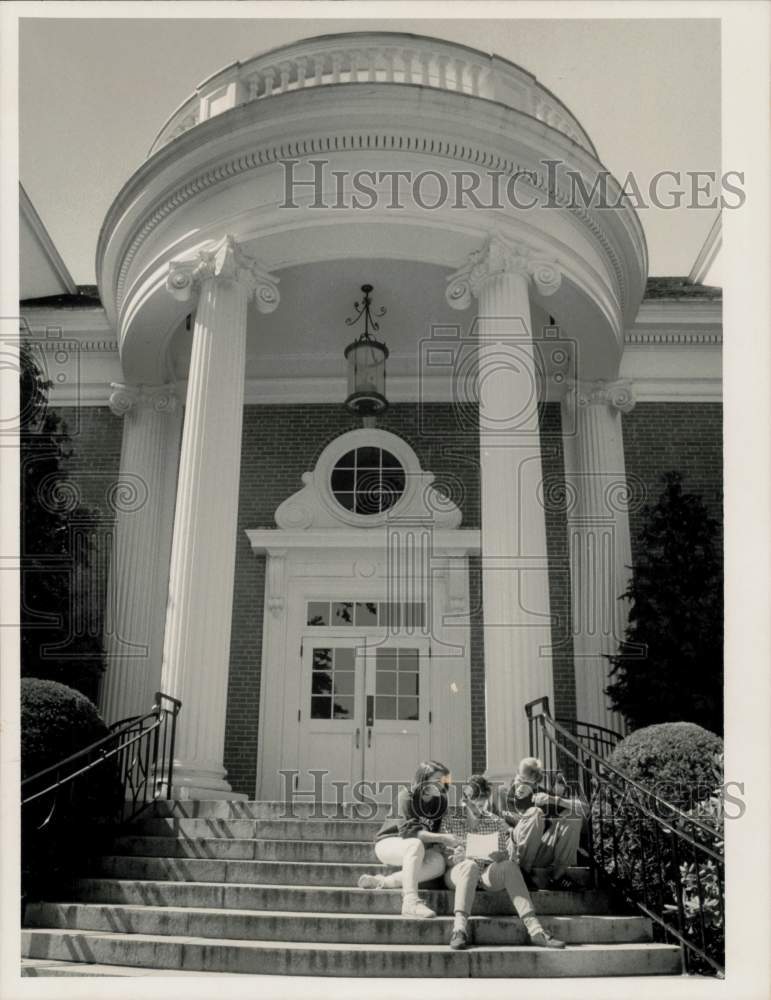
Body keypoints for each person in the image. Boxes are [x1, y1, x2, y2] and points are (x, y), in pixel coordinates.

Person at [438, 775, 566, 951]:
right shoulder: (450, 818)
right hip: (459, 872)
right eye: (474, 803)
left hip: (486, 873)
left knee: (509, 866)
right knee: (469, 865)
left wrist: (501, 857)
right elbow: (441, 855)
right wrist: (453, 858)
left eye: (482, 804)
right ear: (464, 799)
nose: (478, 809)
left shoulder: (495, 821)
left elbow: (506, 851)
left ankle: (535, 930)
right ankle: (459, 929)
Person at [357, 760, 461, 917]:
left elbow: (438, 834)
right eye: (437, 780)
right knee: (415, 843)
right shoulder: (407, 795)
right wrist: (444, 838)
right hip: (389, 844)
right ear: (423, 778)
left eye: (444, 780)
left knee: (438, 863)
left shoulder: (441, 801)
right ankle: (410, 901)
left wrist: (452, 850)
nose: (441, 785)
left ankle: (383, 882)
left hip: (418, 849)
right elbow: (409, 833)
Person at [494, 757, 588, 891]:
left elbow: (585, 809)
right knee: (535, 812)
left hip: (540, 852)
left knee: (573, 815)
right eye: (520, 780)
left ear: (535, 784)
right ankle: (522, 874)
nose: (522, 786)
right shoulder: (502, 793)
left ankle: (558, 876)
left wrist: (554, 800)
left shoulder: (543, 795)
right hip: (512, 851)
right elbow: (491, 823)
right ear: (516, 775)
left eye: (528, 783)